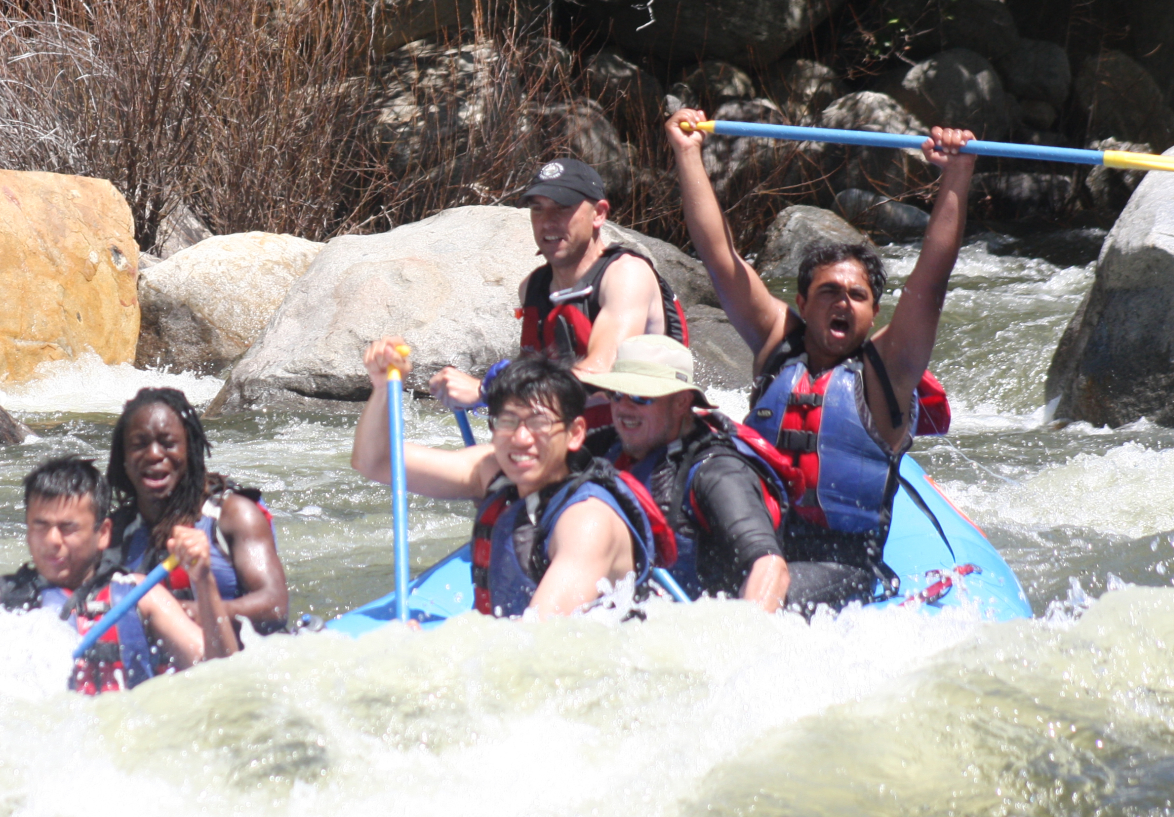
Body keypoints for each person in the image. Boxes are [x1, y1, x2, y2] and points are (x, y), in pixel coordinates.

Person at [666, 106, 975, 582]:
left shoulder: (886, 371)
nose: (844, 304)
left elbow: (932, 274)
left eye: (857, 296)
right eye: (829, 291)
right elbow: (719, 257)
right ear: (803, 303)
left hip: (842, 566)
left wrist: (956, 173)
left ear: (874, 313)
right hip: (758, 547)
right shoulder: (777, 344)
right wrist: (687, 154)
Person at [350, 342, 677, 617]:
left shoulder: (587, 520)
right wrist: (381, 387)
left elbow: (534, 642)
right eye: (507, 421)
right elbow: (376, 461)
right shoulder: (494, 472)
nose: (521, 438)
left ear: (576, 433)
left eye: (538, 423)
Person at [583, 334, 873, 610]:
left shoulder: (718, 473)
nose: (623, 408)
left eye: (641, 397)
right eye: (617, 394)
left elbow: (770, 568)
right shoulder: (608, 447)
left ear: (682, 402)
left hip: (714, 611)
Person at [429, 157, 689, 436]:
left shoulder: (626, 275)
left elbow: (602, 372)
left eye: (562, 208)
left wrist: (487, 389)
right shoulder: (533, 287)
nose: (548, 222)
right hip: (573, 436)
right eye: (538, 209)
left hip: (639, 440)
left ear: (599, 214)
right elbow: (536, 382)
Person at [0, 457, 236, 693]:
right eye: (40, 526)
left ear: (102, 534)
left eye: (68, 528)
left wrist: (203, 580)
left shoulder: (141, 596)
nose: (53, 540)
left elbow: (223, 670)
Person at [107, 388, 289, 634]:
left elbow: (274, 607)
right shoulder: (115, 531)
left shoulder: (233, 515)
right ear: (123, 459)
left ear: (190, 450)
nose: (153, 454)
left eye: (168, 443)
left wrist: (172, 613)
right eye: (139, 445)